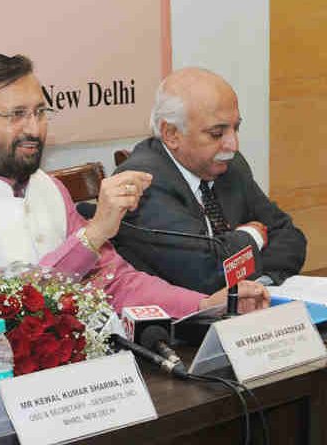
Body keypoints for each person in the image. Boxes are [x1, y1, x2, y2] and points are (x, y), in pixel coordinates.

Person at [0, 54, 269, 319]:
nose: (34, 128)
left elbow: (114, 282)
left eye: (40, 112)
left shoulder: (48, 188)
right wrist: (91, 237)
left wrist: (203, 305)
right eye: (16, 115)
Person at [112, 67, 306, 294]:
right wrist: (252, 237)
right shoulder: (143, 182)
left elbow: (290, 237)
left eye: (236, 128)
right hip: (181, 322)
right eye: (216, 134)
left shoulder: (230, 165)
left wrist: (257, 282)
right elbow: (205, 273)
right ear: (171, 134)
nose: (233, 145)